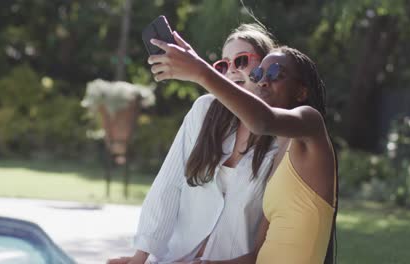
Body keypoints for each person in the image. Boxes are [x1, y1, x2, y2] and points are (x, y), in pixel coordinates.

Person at [147, 34, 338, 264]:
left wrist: (200, 71)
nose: (263, 81)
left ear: (301, 92)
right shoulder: (279, 155)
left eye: (276, 73)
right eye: (258, 75)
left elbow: (262, 121)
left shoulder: (311, 124)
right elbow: (256, 256)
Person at [108, 24, 279, 264]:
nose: (232, 71)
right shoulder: (204, 109)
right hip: (175, 257)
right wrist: (141, 256)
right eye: (224, 65)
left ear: (266, 67)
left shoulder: (282, 134)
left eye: (241, 61)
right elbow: (168, 184)